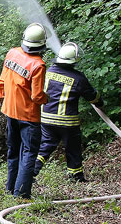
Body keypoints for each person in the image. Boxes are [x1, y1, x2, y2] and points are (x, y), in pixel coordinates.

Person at [33, 42, 102, 182]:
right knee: (73, 149)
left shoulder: (48, 71)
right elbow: (92, 96)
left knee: (45, 147)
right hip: (68, 123)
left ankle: (30, 173)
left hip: (46, 118)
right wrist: (99, 103)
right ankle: (76, 177)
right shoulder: (78, 78)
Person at [0, 22, 48, 199]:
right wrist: (47, 98)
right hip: (28, 117)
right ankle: (21, 193)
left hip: (10, 111)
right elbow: (37, 96)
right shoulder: (38, 65)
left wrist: (5, 100)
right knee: (28, 153)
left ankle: (10, 188)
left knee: (13, 151)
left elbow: (2, 82)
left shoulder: (12, 53)